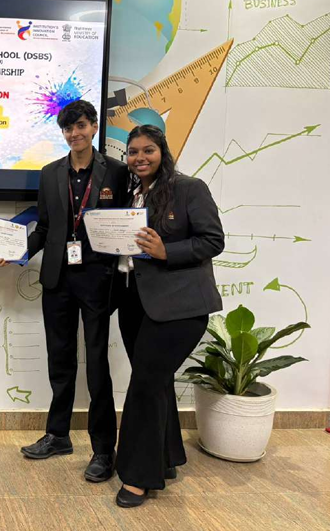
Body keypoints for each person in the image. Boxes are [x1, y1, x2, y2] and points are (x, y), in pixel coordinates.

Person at [0, 99, 129, 482]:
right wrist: (17, 250)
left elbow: (125, 222)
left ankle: (103, 450)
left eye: (81, 126)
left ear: (94, 127)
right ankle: (58, 435)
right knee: (60, 362)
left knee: (97, 365)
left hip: (98, 279)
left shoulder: (117, 172)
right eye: (68, 128)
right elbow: (43, 228)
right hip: (57, 280)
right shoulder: (50, 173)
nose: (75, 134)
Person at [114, 124, 224, 507]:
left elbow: (213, 240)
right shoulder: (130, 194)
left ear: (163, 151)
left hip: (179, 307)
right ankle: (166, 458)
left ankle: (138, 477)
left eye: (148, 150)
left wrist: (166, 252)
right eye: (133, 152)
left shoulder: (189, 188)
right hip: (135, 302)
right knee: (156, 383)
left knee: (145, 385)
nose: (140, 158)